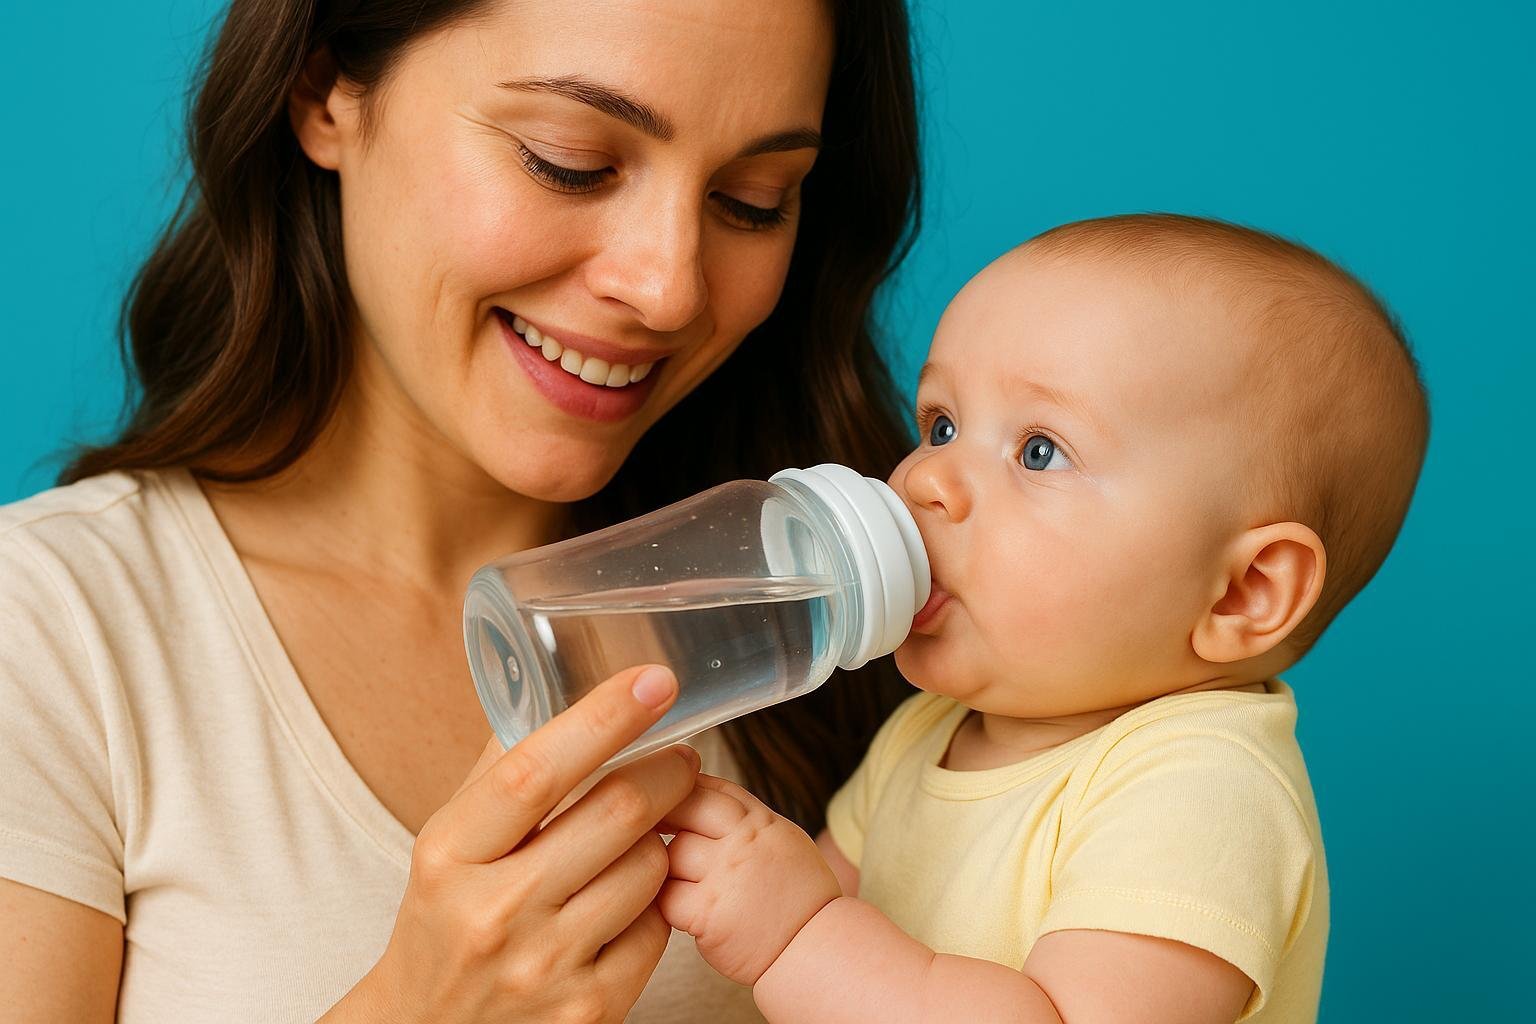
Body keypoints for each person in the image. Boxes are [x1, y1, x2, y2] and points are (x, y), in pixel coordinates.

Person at [0, 1, 923, 1020]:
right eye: (567, 161)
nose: (667, 286)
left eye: (753, 200)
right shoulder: (49, 634)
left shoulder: (842, 631)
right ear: (323, 91)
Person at [656, 214, 1430, 1023]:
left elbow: (820, 940)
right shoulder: (928, 734)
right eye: (940, 425)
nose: (925, 479)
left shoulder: (1200, 789)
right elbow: (795, 926)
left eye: (1038, 451)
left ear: (1243, 592)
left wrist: (799, 933)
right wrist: (712, 860)